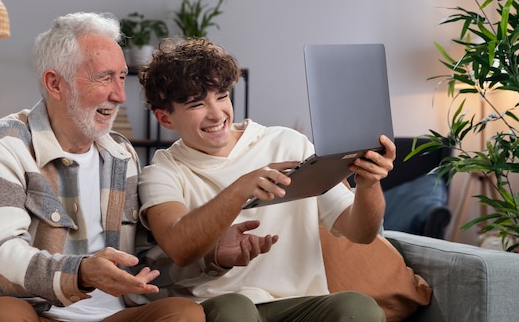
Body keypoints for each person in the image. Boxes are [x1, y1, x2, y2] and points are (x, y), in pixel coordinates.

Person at [0, 12, 206, 322]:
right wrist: (79, 273)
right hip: (31, 309)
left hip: (110, 314)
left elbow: (143, 257)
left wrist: (212, 256)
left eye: (121, 77)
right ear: (55, 83)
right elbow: (0, 257)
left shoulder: (122, 154)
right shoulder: (4, 143)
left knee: (184, 313)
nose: (119, 95)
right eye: (104, 77)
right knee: (5, 316)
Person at [137, 37, 397, 322]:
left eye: (222, 97)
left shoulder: (289, 143)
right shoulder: (162, 172)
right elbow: (179, 248)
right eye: (197, 104)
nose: (216, 114)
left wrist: (369, 184)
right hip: (215, 304)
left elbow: (361, 233)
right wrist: (239, 190)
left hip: (301, 304)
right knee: (236, 309)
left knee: (358, 307)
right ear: (165, 119)